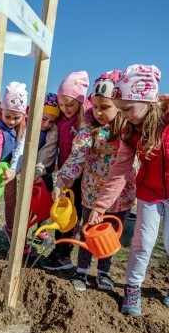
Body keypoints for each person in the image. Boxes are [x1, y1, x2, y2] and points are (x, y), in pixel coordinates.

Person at [89, 64, 169, 316]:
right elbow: (120, 170)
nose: (122, 115)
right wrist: (100, 206)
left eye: (126, 109)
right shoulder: (130, 131)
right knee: (142, 243)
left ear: (145, 100)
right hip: (149, 193)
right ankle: (133, 287)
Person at [53, 70, 136, 292]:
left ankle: (104, 272)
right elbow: (77, 155)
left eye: (105, 107)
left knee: (109, 234)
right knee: (88, 231)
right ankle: (82, 270)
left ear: (118, 104)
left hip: (121, 196)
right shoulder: (89, 129)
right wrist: (63, 178)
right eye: (95, 106)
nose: (98, 112)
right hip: (91, 192)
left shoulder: (128, 130)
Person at [40, 71, 89, 270]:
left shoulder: (86, 120)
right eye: (62, 105)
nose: (65, 109)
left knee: (71, 216)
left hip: (82, 177)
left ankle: (64, 255)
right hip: (64, 174)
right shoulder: (60, 121)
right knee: (60, 212)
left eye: (70, 104)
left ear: (81, 100)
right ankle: (58, 250)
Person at [0, 81, 28, 259]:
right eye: (8, 116)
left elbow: (20, 150)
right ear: (0, 111)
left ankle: (11, 230)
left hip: (9, 169)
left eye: (16, 117)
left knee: (12, 201)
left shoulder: (22, 128)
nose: (12, 121)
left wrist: (13, 170)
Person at [32, 92, 60, 246]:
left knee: (47, 201)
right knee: (29, 202)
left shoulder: (52, 131)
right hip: (30, 171)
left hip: (45, 169)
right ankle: (20, 229)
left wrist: (39, 171)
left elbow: (47, 152)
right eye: (44, 119)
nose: (46, 124)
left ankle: (42, 230)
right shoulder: (29, 125)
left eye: (51, 121)